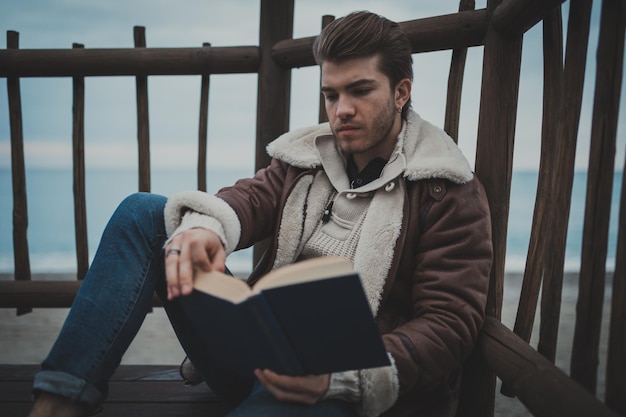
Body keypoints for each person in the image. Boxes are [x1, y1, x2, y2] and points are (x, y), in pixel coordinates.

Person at [28, 10, 492, 417]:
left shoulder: (445, 189)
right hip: (255, 355)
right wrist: (207, 228)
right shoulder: (306, 158)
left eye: (360, 90)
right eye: (331, 95)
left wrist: (342, 378)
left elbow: (450, 324)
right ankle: (59, 401)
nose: (342, 110)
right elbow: (251, 197)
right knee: (143, 213)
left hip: (341, 390)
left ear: (401, 92)